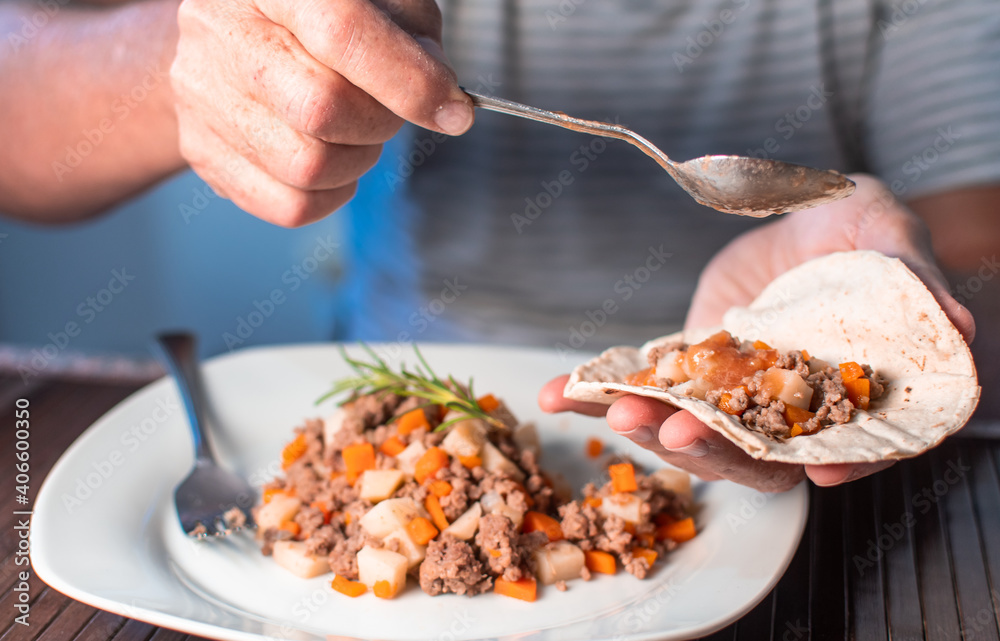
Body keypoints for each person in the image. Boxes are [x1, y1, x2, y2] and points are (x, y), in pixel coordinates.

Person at [1, 0, 997, 491]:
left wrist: (879, 280)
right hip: (397, 403)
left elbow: (972, 232)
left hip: (806, 486)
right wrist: (174, 58)